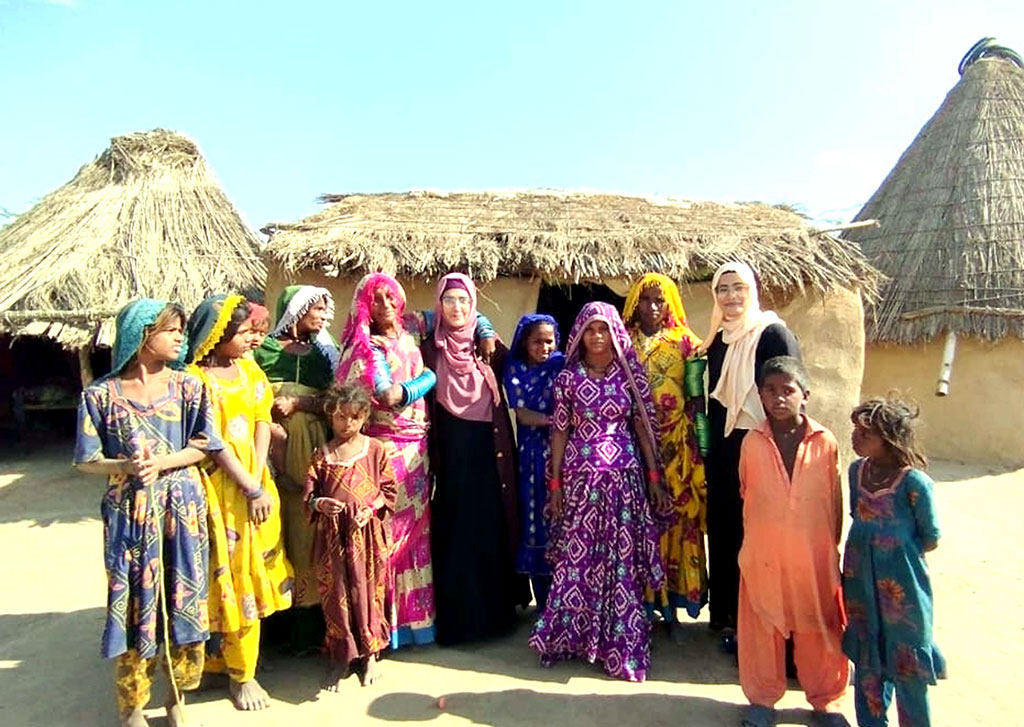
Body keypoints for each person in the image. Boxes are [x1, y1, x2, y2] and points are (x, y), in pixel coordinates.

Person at [74, 299, 223, 727]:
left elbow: (203, 444)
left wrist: (163, 463)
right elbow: (86, 459)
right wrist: (122, 466)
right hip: (130, 512)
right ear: (142, 335)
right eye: (170, 330)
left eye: (181, 330)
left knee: (184, 599)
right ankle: (133, 706)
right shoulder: (100, 395)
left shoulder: (189, 387)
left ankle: (177, 699)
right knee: (132, 603)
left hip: (183, 507)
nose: (181, 337)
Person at [529, 302, 670, 682]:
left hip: (623, 481)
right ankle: (568, 637)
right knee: (577, 563)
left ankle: (617, 641)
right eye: (590, 329)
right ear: (580, 335)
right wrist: (555, 484)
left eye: (603, 329)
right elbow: (560, 430)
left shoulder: (631, 376)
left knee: (619, 563)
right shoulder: (569, 379)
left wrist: (654, 477)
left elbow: (642, 427)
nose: (597, 336)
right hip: (580, 480)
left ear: (614, 334)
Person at [185, 294, 294, 711]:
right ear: (219, 335)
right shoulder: (197, 380)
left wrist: (260, 476)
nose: (253, 339)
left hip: (256, 486)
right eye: (245, 332)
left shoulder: (250, 370)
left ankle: (242, 666)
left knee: (251, 573)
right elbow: (211, 443)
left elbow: (262, 418)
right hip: (219, 493)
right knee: (223, 577)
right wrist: (248, 484)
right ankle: (227, 667)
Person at [736, 356, 848, 727]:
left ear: (805, 395)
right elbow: (746, 494)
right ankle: (762, 700)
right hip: (763, 555)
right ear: (760, 397)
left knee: (819, 625)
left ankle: (826, 700)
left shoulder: (825, 442)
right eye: (771, 391)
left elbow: (834, 500)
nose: (779, 398)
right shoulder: (752, 442)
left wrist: (831, 551)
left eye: (788, 391)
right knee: (761, 627)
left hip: (813, 556)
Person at [335, 273, 439, 649]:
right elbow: (388, 394)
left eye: (390, 296)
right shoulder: (369, 347)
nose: (386, 304)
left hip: (418, 449)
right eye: (376, 300)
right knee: (389, 535)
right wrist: (429, 376)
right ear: (365, 306)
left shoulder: (411, 326)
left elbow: (453, 310)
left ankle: (416, 624)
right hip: (390, 450)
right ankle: (382, 630)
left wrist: (487, 327)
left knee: (417, 533)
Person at [699, 261, 801, 643]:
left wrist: (784, 449)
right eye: (722, 289)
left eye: (738, 287)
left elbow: (790, 392)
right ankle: (729, 615)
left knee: (758, 531)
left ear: (752, 290)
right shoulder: (719, 339)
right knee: (725, 527)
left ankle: (760, 621)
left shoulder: (772, 333)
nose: (730, 296)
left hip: (762, 443)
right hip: (726, 448)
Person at [420, 272, 522, 645]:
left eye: (465, 301)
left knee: (490, 529)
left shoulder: (490, 349)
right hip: (451, 460)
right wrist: (483, 323)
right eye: (449, 301)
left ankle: (496, 618)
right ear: (439, 306)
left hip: (490, 457)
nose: (458, 308)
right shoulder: (429, 348)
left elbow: (526, 362)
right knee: (455, 531)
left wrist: (486, 328)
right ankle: (460, 623)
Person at [844, 397, 944, 727]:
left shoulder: (914, 483)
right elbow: (857, 515)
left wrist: (891, 553)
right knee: (869, 665)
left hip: (903, 592)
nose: (855, 437)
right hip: (860, 586)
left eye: (865, 433)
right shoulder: (857, 472)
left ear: (889, 439)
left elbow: (929, 537)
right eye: (855, 430)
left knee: (907, 665)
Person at [624, 272, 709, 630]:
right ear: (634, 303)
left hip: (677, 446)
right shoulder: (620, 341)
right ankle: (639, 604)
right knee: (637, 521)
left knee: (676, 520)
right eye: (645, 299)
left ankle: (673, 603)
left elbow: (696, 399)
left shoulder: (686, 343)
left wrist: (701, 447)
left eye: (660, 300)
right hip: (630, 445)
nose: (653, 307)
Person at [253, 285, 338, 643]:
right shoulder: (265, 351)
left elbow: (335, 401)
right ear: (295, 311)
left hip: (313, 446)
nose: (322, 316)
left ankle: (311, 625)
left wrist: (302, 405)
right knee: (280, 526)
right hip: (272, 446)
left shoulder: (323, 356)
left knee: (310, 530)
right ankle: (278, 624)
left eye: (323, 310)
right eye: (315, 309)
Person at [304, 384, 398, 689]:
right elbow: (309, 497)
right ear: (331, 418)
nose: (347, 424)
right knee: (337, 596)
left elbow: (389, 492)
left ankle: (370, 656)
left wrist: (370, 509)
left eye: (354, 418)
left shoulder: (375, 450)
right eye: (340, 418)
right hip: (332, 539)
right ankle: (341, 657)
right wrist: (321, 503)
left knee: (368, 592)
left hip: (367, 538)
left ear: (364, 416)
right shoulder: (323, 455)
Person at [502, 314, 564, 611]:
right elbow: (523, 415)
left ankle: (566, 600)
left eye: (549, 340)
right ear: (524, 342)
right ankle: (544, 603)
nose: (544, 347)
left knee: (563, 521)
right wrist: (559, 421)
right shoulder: (514, 369)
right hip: (532, 457)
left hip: (564, 454)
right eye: (537, 341)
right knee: (536, 521)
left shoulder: (562, 366)